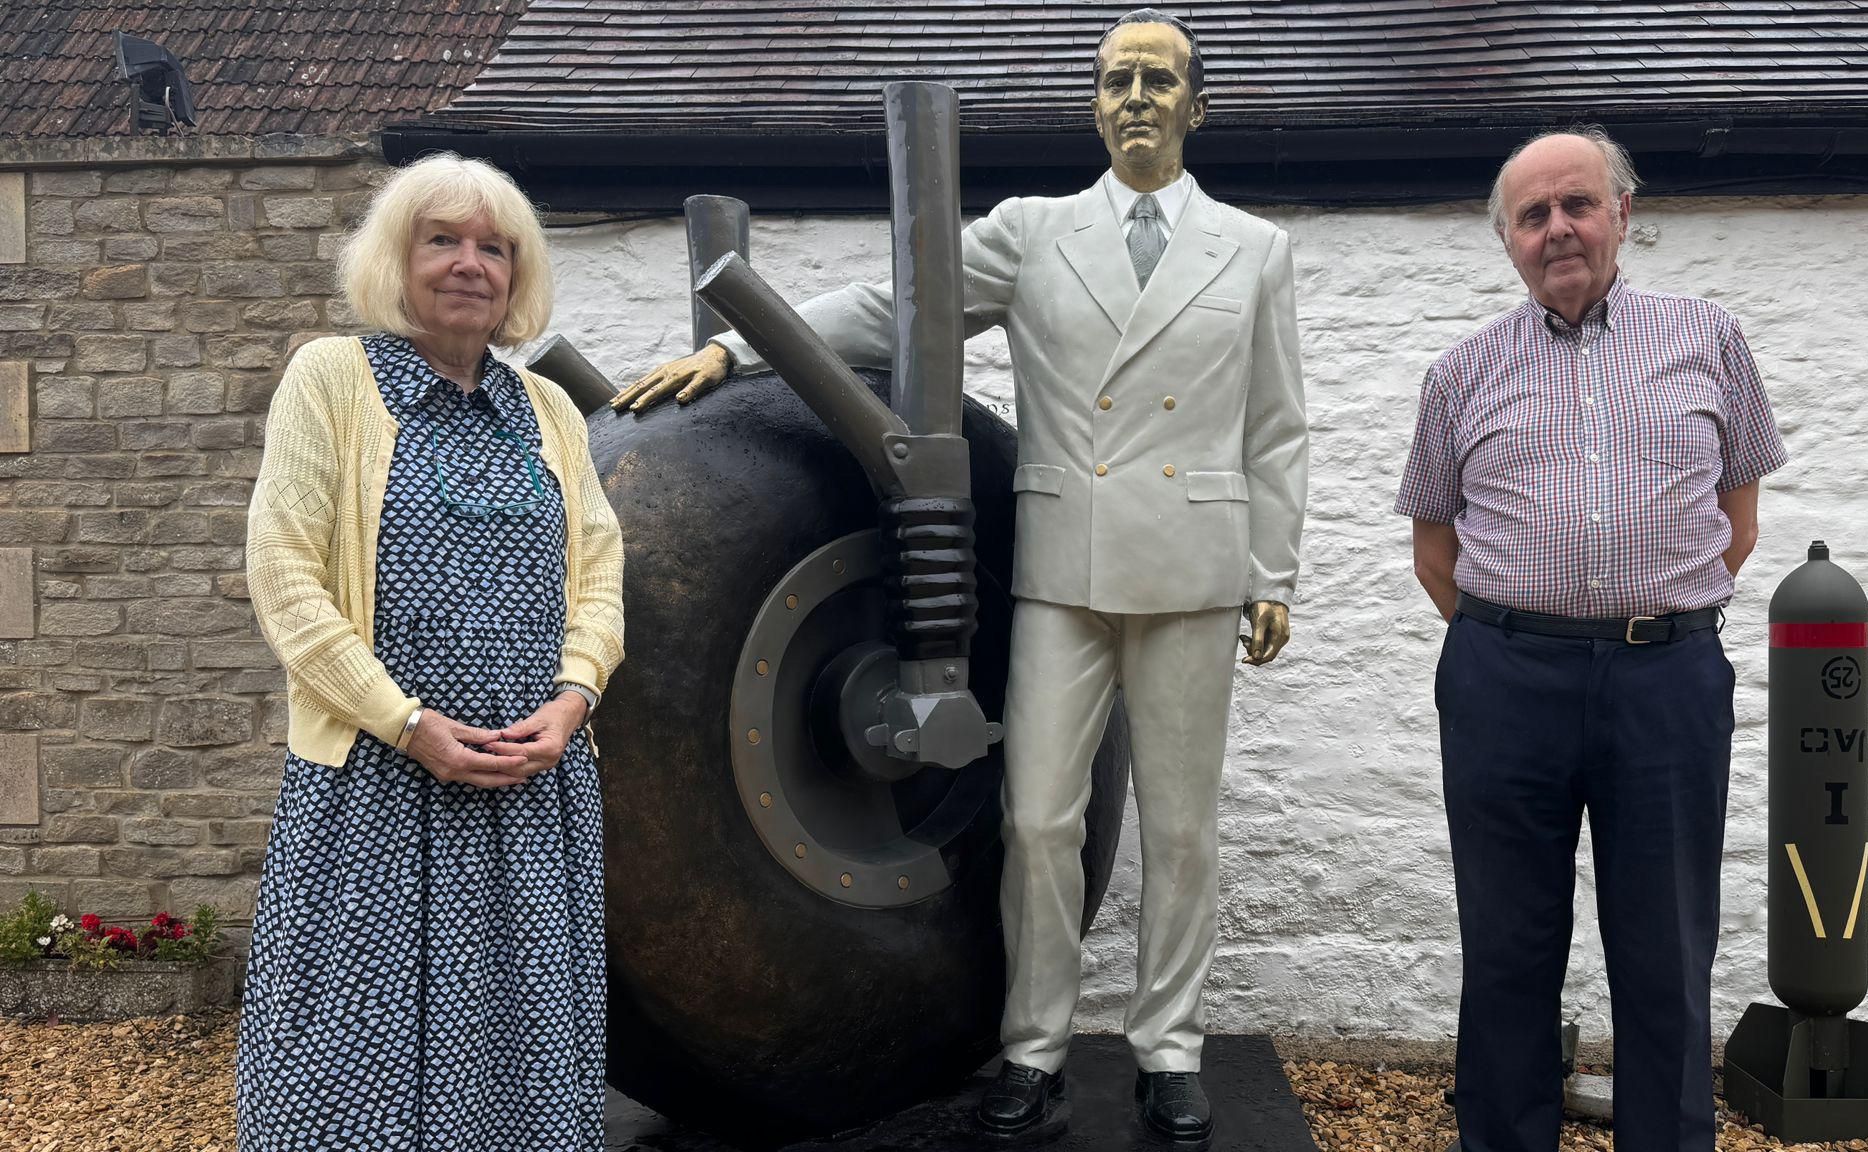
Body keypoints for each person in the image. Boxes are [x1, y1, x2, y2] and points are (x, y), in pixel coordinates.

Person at [611, 9, 1306, 1141]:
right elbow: (899, 308)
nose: (1136, 96)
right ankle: (1030, 1054)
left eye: (1158, 79)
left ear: (1195, 105)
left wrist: (1271, 570)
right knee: (1036, 820)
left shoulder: (1254, 249)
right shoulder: (1035, 234)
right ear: (1095, 104)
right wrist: (736, 346)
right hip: (1060, 568)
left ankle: (1168, 1053)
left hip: (1192, 564)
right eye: (1116, 79)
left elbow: (1276, 428)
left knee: (1180, 831)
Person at [1396, 127, 1787, 1152]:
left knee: (1664, 948)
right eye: (1531, 215)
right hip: (1502, 680)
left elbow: (1734, 524)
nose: (1556, 228)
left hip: (1664, 678)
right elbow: (1432, 550)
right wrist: (1529, 640)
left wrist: (1636, 627)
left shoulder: (1707, 338)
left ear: (1621, 212)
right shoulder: (1458, 373)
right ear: (1507, 242)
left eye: (1575, 204)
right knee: (1508, 945)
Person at [238, 153, 625, 1151]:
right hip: (373, 781)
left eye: (494, 248)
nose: (469, 264)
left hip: (528, 784)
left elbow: (598, 575)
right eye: (441, 240)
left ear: (518, 274)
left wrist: (573, 703)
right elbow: (285, 579)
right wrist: (405, 723)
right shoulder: (331, 380)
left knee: (517, 1052)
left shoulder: (548, 414)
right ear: (394, 259)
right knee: (346, 1055)